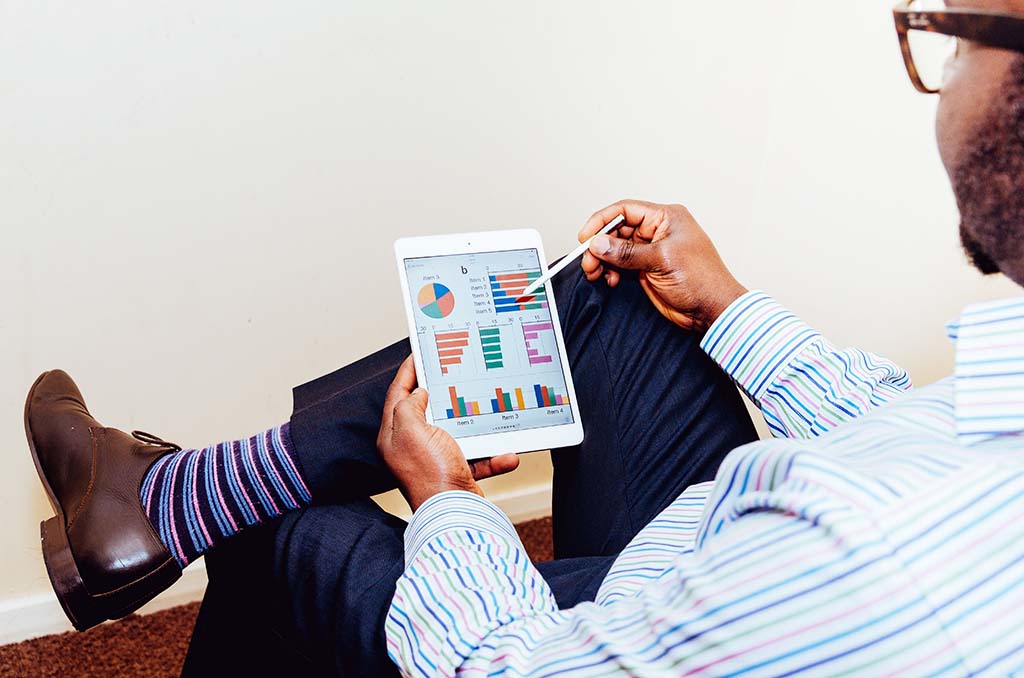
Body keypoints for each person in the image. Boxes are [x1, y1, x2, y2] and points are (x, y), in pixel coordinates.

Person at [22, 0, 1024, 674]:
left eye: (957, 36)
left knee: (291, 530)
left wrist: (448, 502)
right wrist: (729, 304)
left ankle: (178, 501)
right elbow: (914, 432)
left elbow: (506, 666)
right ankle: (156, 502)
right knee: (617, 293)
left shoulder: (881, 558)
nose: (944, 74)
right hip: (712, 568)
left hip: (612, 629)